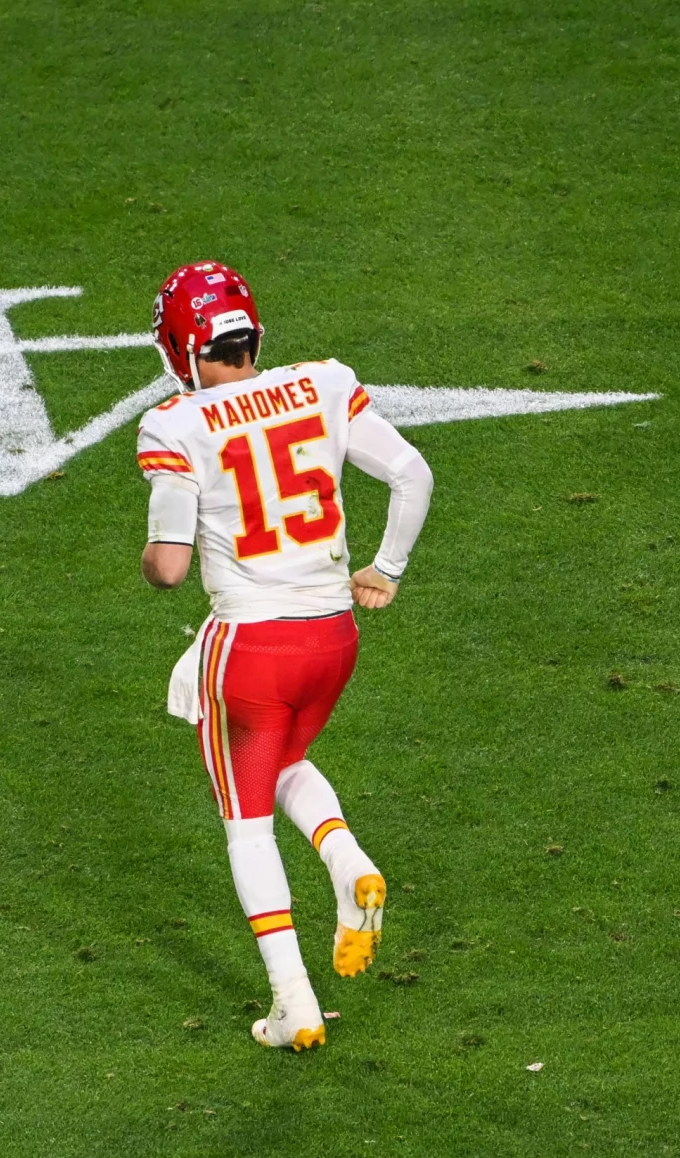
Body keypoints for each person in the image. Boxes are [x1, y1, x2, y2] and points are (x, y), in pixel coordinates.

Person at [135, 261, 434, 1051]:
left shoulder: (176, 424)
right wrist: (388, 569)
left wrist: (155, 553)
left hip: (251, 645)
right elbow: (412, 473)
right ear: (252, 333)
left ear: (182, 346)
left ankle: (293, 1000)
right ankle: (346, 861)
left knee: (245, 819)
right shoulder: (324, 383)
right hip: (334, 636)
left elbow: (166, 568)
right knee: (285, 756)